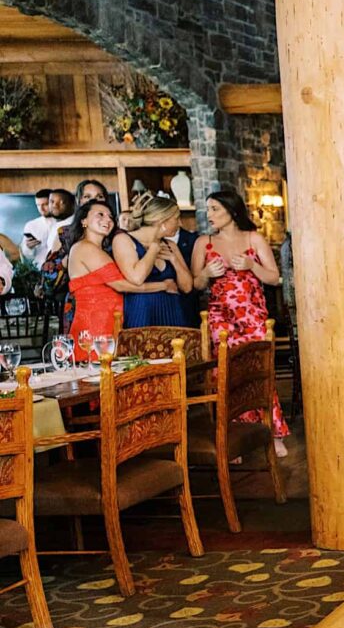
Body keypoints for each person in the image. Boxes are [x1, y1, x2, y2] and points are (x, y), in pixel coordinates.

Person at [191, 190, 290, 454]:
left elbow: (273, 277)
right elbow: (194, 284)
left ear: (232, 211)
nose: (209, 215)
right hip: (220, 317)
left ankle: (272, 432)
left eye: (214, 209)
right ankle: (234, 440)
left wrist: (251, 265)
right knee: (227, 373)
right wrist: (205, 273)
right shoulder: (204, 243)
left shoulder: (253, 238)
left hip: (251, 314)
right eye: (208, 209)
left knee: (257, 369)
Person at [62, 200, 151, 360]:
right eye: (100, 215)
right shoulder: (84, 247)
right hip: (94, 328)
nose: (107, 220)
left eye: (111, 216)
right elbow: (121, 285)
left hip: (107, 325)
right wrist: (163, 285)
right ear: (84, 221)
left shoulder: (99, 250)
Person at [112, 193, 193, 327]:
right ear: (162, 221)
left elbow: (187, 288)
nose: (180, 223)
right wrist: (154, 248)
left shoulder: (170, 245)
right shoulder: (123, 240)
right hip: (142, 315)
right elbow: (137, 278)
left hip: (173, 314)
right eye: (176, 219)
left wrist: (175, 261)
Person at [21, 189, 55, 267]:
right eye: (38, 205)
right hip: (39, 268)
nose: (41, 209)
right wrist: (29, 247)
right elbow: (27, 256)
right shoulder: (31, 225)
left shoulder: (65, 223)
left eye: (45, 204)